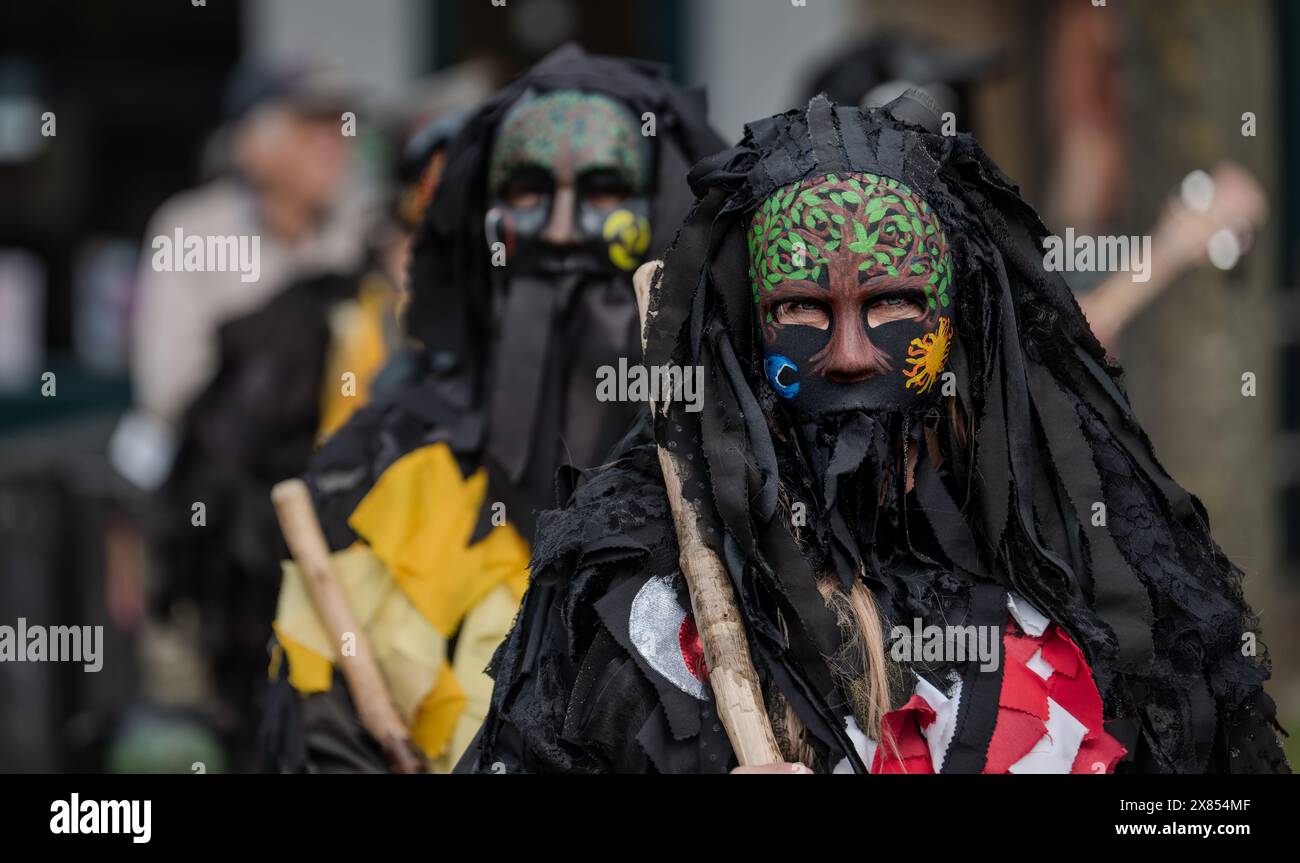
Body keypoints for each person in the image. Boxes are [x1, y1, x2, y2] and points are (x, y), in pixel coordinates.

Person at [458, 93, 1289, 774]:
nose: (850, 354)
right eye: (802, 310)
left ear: (959, 321)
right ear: (750, 327)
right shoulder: (636, 586)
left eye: (892, 304)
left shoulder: (1078, 581)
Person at [260, 44, 724, 773]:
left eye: (603, 193)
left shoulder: (734, 476)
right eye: (531, 191)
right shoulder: (379, 470)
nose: (563, 228)